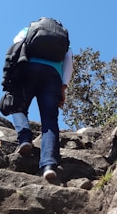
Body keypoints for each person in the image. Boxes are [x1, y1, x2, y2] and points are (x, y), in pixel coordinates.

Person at [11, 20, 73, 181]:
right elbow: (69, 60)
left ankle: (25, 138)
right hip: (53, 76)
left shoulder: (29, 29)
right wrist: (63, 88)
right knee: (49, 120)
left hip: (28, 69)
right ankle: (48, 165)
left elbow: (17, 42)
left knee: (18, 106)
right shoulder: (62, 37)